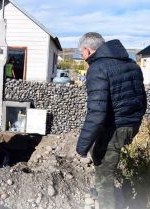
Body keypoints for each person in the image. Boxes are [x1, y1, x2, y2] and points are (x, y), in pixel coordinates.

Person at [76, 32, 147, 209]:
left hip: (113, 128)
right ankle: (101, 194)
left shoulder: (98, 68)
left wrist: (82, 147)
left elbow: (96, 113)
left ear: (87, 49)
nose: (82, 57)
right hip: (130, 125)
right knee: (104, 162)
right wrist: (134, 126)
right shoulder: (131, 64)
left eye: (81, 53)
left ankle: (107, 202)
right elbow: (142, 100)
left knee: (104, 176)